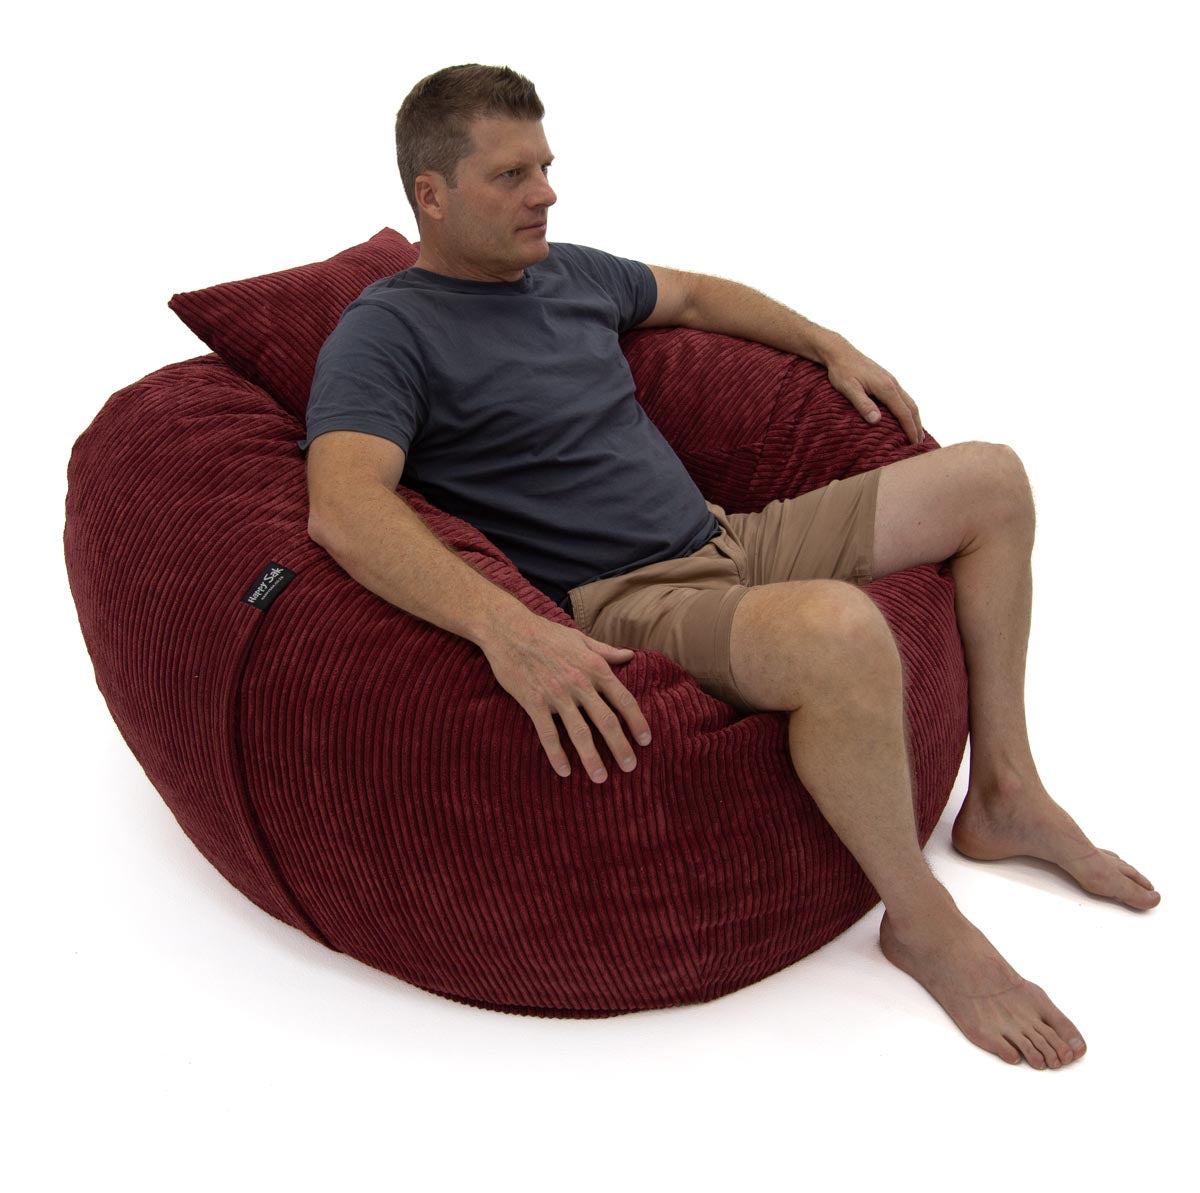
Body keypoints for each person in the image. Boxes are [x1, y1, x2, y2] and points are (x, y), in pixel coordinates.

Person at [301, 63, 1159, 1069]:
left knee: (992, 481)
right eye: (511, 175)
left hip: (728, 537)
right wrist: (506, 627)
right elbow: (343, 504)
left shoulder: (568, 273)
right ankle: (921, 919)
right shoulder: (388, 331)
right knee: (841, 630)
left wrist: (831, 345)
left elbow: (699, 297)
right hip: (631, 599)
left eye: (546, 164)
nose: (547, 191)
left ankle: (1006, 792)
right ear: (431, 197)